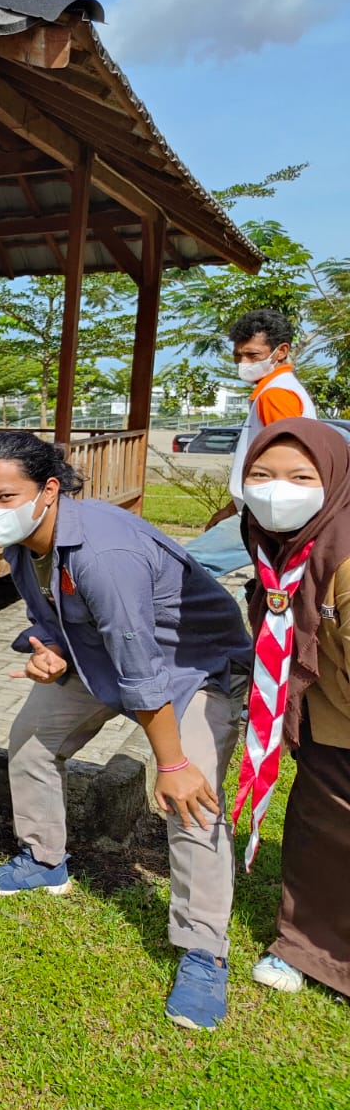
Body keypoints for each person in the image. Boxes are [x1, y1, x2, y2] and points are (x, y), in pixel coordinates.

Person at [0, 431, 251, 1031]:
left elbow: (142, 664)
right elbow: (47, 616)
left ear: (48, 490)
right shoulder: (23, 541)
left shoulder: (102, 551)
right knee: (32, 740)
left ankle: (204, 950)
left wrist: (171, 763)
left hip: (190, 670)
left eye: (4, 495)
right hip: (96, 657)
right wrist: (43, 649)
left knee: (191, 800)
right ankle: (44, 860)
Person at [234, 418, 350, 999]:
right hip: (325, 714)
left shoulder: (345, 556)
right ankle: (307, 947)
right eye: (261, 474)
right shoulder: (270, 540)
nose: (277, 490)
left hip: (344, 714)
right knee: (318, 829)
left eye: (300, 476)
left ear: (332, 479)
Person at [186, 309, 316, 579]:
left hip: (269, 511)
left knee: (187, 568)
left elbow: (287, 458)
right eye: (238, 355)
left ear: (280, 351)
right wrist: (232, 509)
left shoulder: (276, 395)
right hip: (261, 509)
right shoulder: (275, 390)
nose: (243, 363)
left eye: (252, 355)